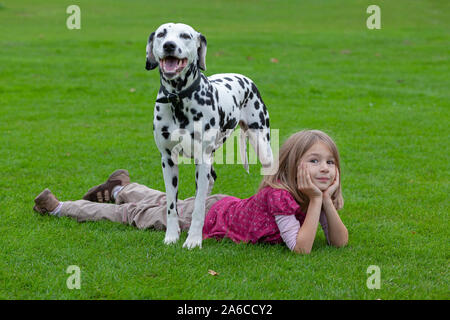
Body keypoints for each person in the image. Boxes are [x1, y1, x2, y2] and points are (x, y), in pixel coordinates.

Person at [33, 130, 348, 254]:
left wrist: (325, 202)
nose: (324, 168)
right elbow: (301, 248)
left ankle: (122, 187)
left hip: (223, 205)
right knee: (134, 215)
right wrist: (319, 200)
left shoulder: (312, 194)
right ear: (293, 166)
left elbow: (339, 241)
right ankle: (60, 207)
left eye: (330, 162)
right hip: (208, 217)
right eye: (314, 161)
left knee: (160, 203)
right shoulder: (280, 195)